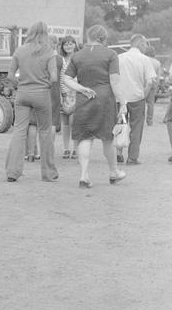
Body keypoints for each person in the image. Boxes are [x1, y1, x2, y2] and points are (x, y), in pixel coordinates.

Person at [62, 24, 126, 188]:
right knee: (107, 138)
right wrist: (123, 102)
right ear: (103, 38)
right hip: (105, 100)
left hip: (84, 99)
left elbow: (66, 79)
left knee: (85, 137)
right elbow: (115, 81)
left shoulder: (77, 56)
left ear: (88, 37)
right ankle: (113, 172)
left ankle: (84, 176)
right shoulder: (111, 54)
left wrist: (81, 88)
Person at [4, 21, 59, 182]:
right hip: (42, 94)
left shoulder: (20, 51)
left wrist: (18, 86)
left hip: (23, 94)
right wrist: (45, 85)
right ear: (45, 34)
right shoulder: (49, 52)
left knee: (19, 131)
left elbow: (10, 75)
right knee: (45, 132)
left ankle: (12, 172)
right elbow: (54, 77)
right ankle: (48, 173)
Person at [114, 34, 157, 165]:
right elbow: (150, 81)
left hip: (121, 99)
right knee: (136, 127)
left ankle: (118, 153)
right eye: (145, 44)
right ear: (140, 44)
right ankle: (132, 157)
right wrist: (144, 94)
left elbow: (113, 78)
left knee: (121, 125)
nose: (146, 47)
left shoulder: (119, 58)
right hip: (137, 99)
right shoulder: (145, 59)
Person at [58, 35, 79, 159]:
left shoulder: (79, 58)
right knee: (65, 123)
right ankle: (66, 148)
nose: (68, 46)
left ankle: (76, 148)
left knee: (74, 122)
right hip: (63, 94)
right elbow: (60, 78)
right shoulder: (61, 59)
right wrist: (62, 94)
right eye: (66, 44)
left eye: (71, 43)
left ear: (75, 44)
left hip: (76, 93)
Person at [144, 44, 162, 126]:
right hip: (153, 84)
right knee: (151, 104)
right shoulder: (157, 62)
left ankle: (140, 120)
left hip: (144, 84)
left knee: (141, 102)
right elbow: (158, 76)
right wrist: (156, 85)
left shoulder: (144, 59)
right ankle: (149, 121)